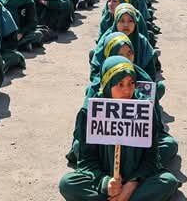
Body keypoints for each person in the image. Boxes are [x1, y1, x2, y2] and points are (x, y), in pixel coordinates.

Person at [58, 56, 180, 201]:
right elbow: (87, 160)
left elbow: (151, 158)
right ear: (107, 84)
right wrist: (105, 183)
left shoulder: (145, 108)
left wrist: (132, 184)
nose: (127, 90)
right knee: (67, 183)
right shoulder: (90, 111)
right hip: (104, 179)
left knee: (167, 181)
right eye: (120, 84)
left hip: (136, 182)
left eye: (131, 83)